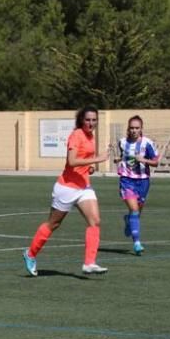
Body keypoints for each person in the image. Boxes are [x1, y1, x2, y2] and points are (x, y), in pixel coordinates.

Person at [23, 106, 111, 276]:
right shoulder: (76, 135)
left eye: (94, 120)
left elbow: (83, 161)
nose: (91, 123)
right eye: (88, 119)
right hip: (66, 188)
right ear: (81, 120)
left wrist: (89, 168)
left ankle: (89, 263)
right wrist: (97, 159)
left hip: (83, 187)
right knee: (53, 224)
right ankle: (30, 253)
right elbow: (71, 161)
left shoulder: (90, 136)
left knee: (95, 221)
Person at [114, 115, 159, 255]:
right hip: (127, 180)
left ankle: (128, 220)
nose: (134, 130)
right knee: (134, 209)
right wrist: (118, 159)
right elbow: (123, 155)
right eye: (132, 128)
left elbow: (156, 162)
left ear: (141, 129)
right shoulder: (122, 142)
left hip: (143, 181)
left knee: (137, 212)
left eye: (137, 128)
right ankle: (137, 243)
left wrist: (143, 160)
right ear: (128, 128)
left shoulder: (147, 143)